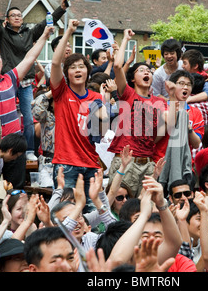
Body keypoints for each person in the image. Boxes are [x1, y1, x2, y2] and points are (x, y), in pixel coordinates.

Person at [0, 0, 69, 160]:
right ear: (8, 20)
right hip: (8, 81)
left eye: (20, 15)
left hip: (26, 82)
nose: (17, 18)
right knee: (4, 116)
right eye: (13, 16)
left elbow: (45, 23)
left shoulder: (29, 33)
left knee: (28, 116)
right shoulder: (2, 34)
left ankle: (28, 150)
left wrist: (61, 9)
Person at [49, 19, 108, 213]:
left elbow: (101, 133)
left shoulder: (96, 96)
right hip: (66, 166)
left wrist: (104, 115)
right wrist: (69, 32)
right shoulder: (61, 92)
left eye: (81, 66)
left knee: (94, 218)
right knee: (66, 217)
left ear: (88, 71)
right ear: (66, 73)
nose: (77, 70)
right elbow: (56, 61)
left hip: (91, 164)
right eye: (72, 67)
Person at [106, 29, 167, 198]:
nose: (146, 72)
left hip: (147, 163)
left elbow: (161, 131)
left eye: (149, 71)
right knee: (117, 204)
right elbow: (118, 66)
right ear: (132, 79)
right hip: (126, 162)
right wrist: (125, 38)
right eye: (141, 70)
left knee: (143, 208)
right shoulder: (128, 94)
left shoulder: (160, 102)